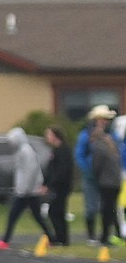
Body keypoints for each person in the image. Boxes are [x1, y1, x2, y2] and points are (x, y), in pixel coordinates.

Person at [0, 127, 51, 250]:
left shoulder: (26, 151)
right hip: (26, 190)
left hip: (27, 192)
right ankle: (51, 237)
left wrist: (26, 188)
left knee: (14, 214)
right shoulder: (21, 151)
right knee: (36, 216)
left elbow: (31, 171)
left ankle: (5, 240)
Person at [75, 105, 115, 244]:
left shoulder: (112, 135)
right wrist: (88, 171)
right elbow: (79, 155)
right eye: (103, 119)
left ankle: (108, 234)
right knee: (91, 207)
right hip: (91, 176)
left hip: (107, 177)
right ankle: (91, 236)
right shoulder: (85, 135)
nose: (106, 122)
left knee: (108, 206)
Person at [89, 125, 121, 247]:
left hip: (106, 183)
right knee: (112, 209)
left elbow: (96, 166)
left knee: (106, 210)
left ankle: (104, 237)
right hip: (115, 183)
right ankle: (117, 233)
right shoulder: (111, 145)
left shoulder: (98, 147)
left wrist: (95, 178)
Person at [40, 125, 73, 246]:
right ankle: (61, 238)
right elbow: (51, 170)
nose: (47, 137)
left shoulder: (63, 150)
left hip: (61, 187)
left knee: (55, 212)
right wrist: (45, 183)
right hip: (56, 186)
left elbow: (61, 171)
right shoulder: (55, 150)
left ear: (55, 136)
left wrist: (50, 184)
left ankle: (61, 239)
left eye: (48, 135)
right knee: (56, 212)